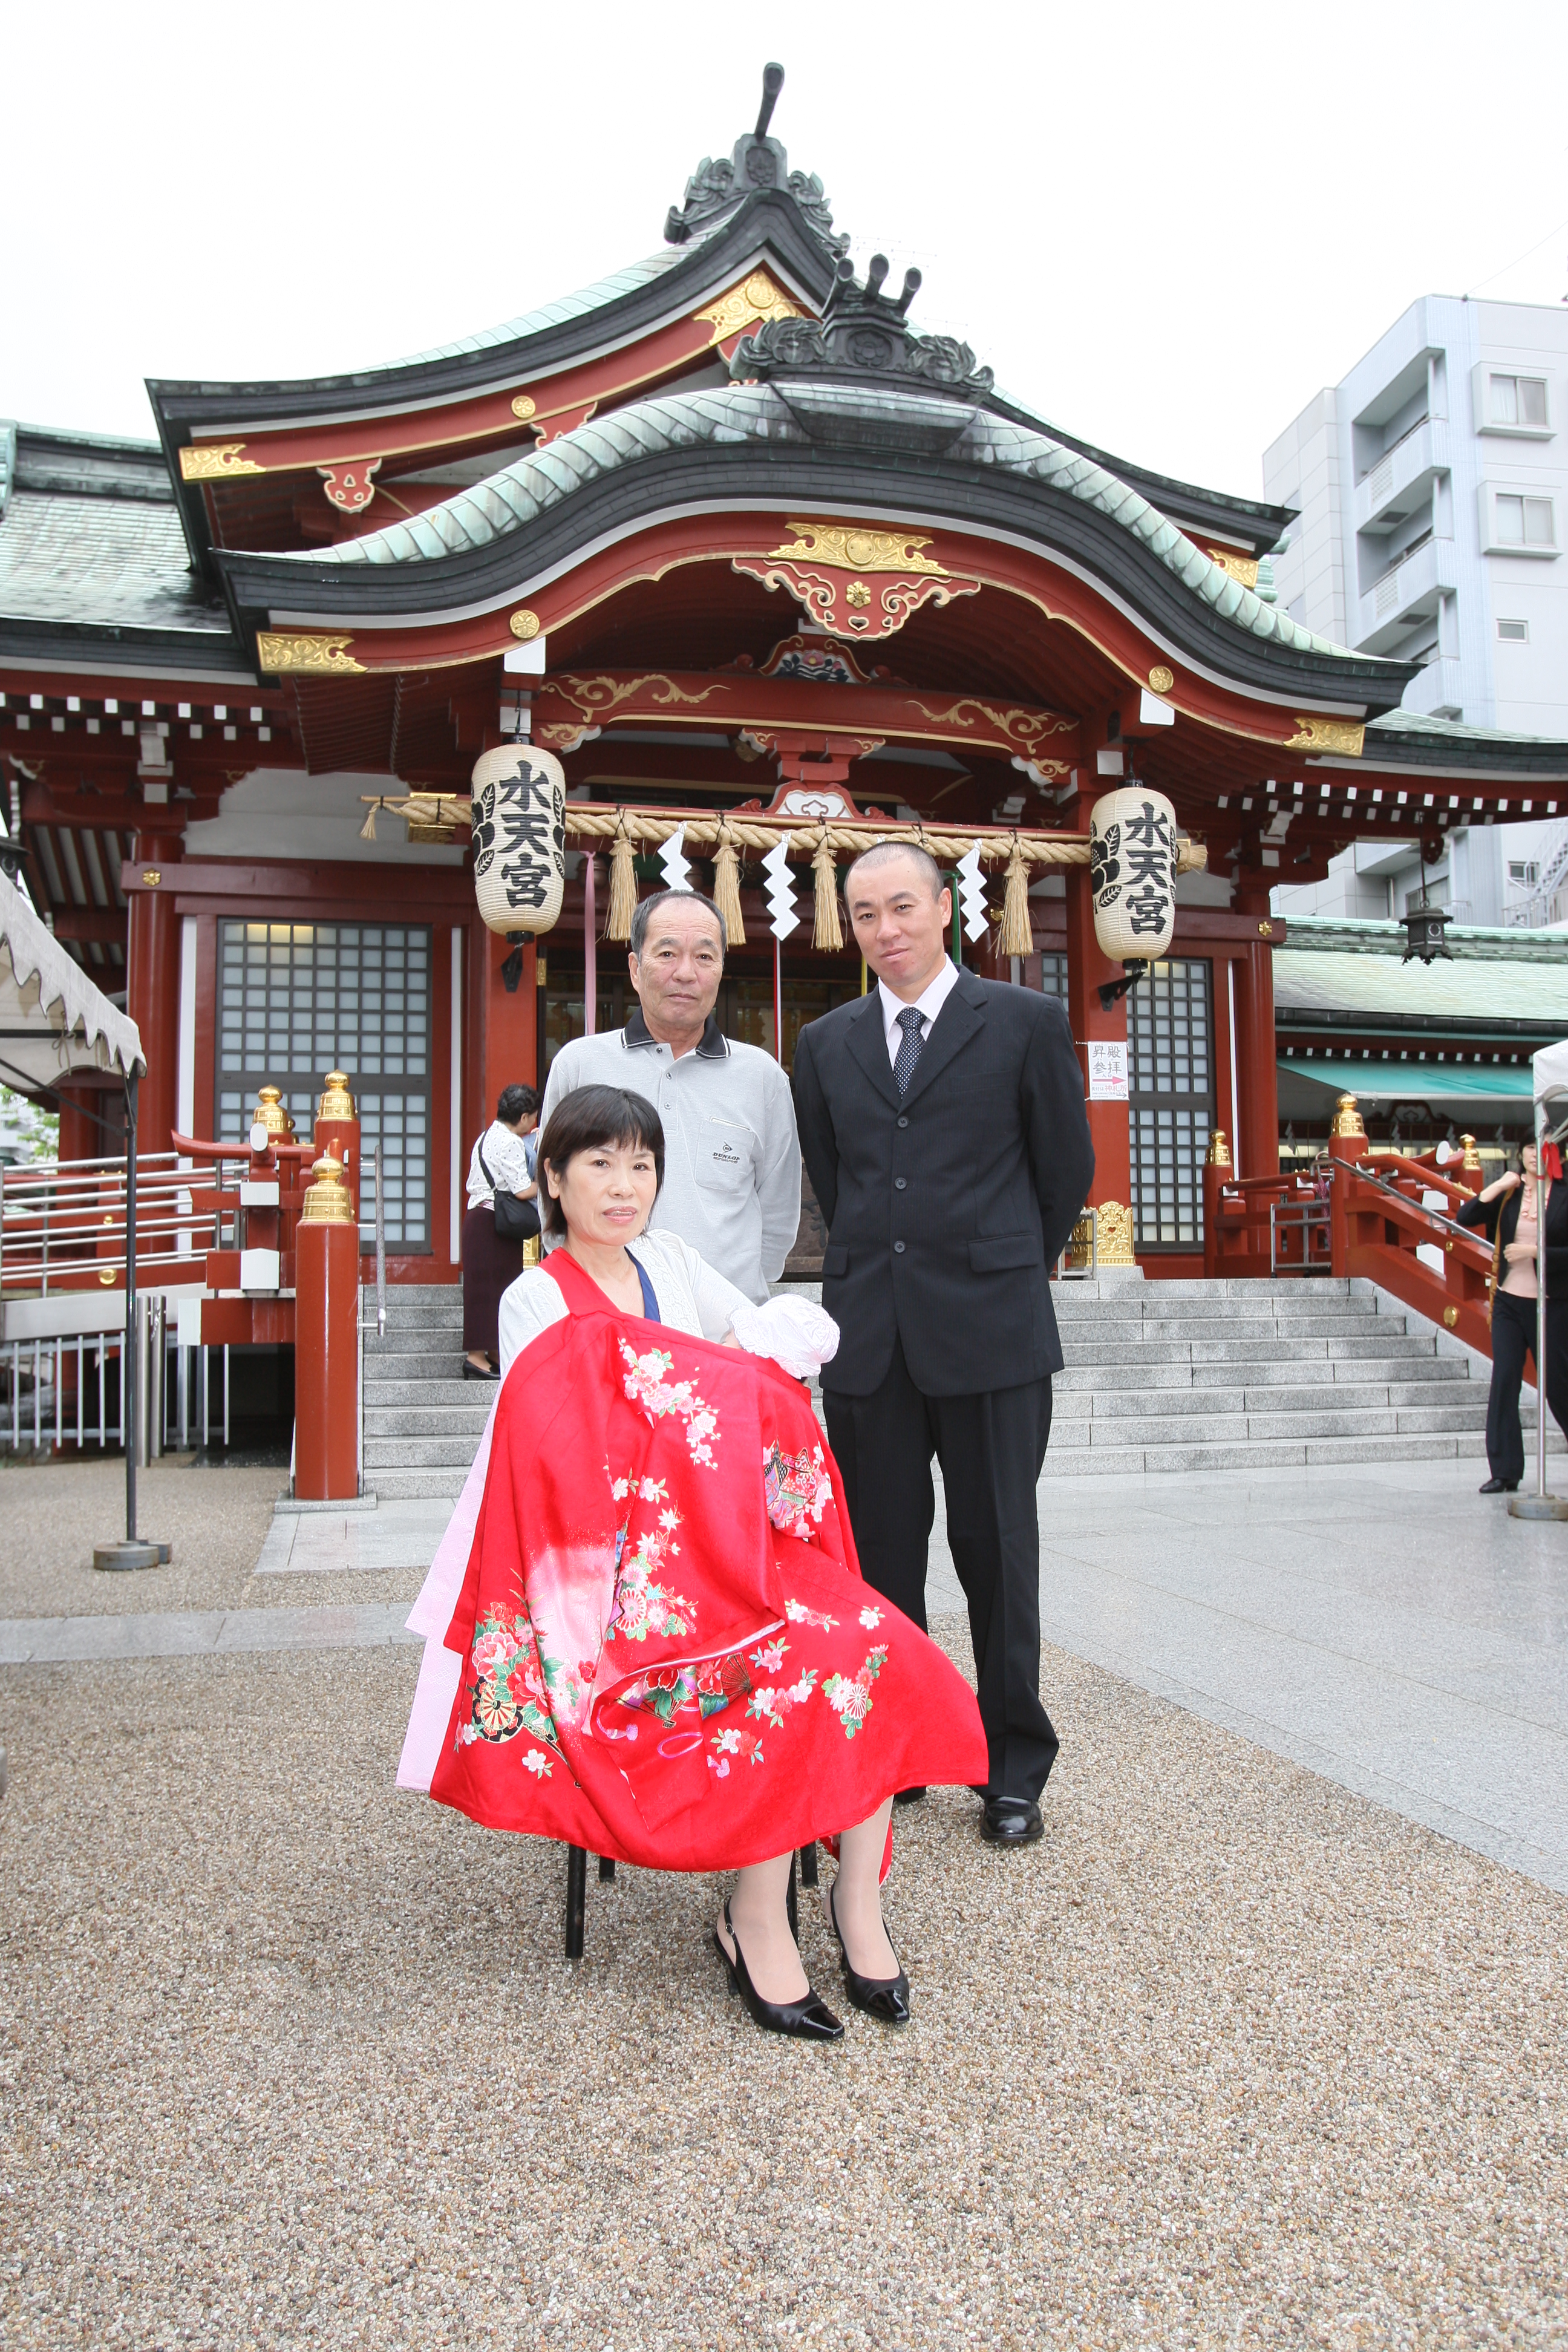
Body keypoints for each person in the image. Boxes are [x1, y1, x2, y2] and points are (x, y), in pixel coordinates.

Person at [399, 1083, 987, 2039]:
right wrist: (699, 1381)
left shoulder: (672, 1259)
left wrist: (721, 1370)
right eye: (599, 1164)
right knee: (786, 1664)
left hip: (723, 1541)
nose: (623, 1186)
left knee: (877, 1641)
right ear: (552, 1178)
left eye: (641, 1165)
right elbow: (568, 1454)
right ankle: (754, 1917)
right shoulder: (533, 1297)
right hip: (617, 1580)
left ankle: (857, 1903)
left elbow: (758, 1348)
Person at [791, 842, 1095, 1849]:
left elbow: (1063, 1171)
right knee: (879, 1558)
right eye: (866, 912)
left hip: (993, 1329)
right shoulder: (826, 1041)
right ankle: (900, 1747)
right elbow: (837, 1186)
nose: (887, 929)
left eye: (902, 906)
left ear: (945, 907)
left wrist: (998, 1264)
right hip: (870, 1334)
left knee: (997, 1548)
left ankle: (1012, 1764)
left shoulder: (1022, 1021)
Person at [540, 888, 800, 1304]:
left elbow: (779, 1212)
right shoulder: (580, 1065)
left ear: (720, 969)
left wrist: (733, 1301)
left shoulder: (762, 1077)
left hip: (725, 1336)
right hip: (610, 1323)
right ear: (635, 969)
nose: (685, 973)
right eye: (666, 954)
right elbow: (551, 1198)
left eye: (704, 956)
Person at [1457, 1142, 1568, 1492]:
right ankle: (1505, 1471)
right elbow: (1466, 1217)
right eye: (1530, 1147)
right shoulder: (1512, 1194)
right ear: (1521, 1154)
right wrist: (1500, 1184)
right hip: (1508, 1301)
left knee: (1558, 1386)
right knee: (1505, 1380)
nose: (1536, 1154)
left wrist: (1535, 1251)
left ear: (1559, 1156)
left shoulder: (1564, 1194)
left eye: (1545, 1148)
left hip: (1551, 1304)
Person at [461, 1083, 540, 1378]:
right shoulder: (510, 1142)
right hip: (492, 1224)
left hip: (483, 1221)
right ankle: (476, 1358)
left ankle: (493, 1351)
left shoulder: (487, 1136)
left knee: (495, 1289)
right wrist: (549, 1184)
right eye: (532, 1117)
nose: (533, 1122)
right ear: (523, 1118)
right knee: (488, 1291)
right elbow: (521, 1190)